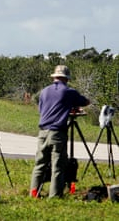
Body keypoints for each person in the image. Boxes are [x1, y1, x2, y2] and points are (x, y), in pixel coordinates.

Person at [30, 65, 90, 198]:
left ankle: (33, 193)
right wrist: (72, 106)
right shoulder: (69, 92)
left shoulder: (44, 91)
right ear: (67, 78)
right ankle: (55, 196)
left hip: (43, 131)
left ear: (54, 77)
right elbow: (85, 101)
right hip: (57, 132)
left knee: (40, 164)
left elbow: (42, 109)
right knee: (58, 165)